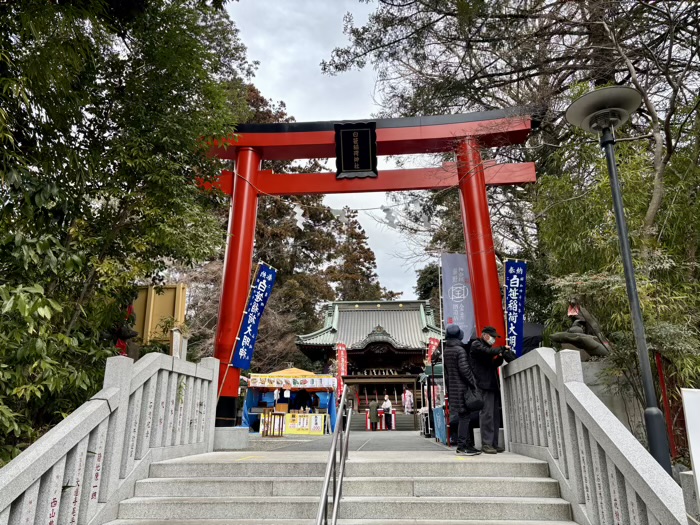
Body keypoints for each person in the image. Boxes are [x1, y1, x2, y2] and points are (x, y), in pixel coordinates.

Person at [469, 326, 512, 454]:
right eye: (492, 336)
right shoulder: (476, 345)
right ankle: (486, 443)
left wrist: (500, 357)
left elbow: (492, 364)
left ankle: (493, 443)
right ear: (484, 335)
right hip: (482, 385)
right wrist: (501, 349)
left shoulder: (487, 349)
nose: (493, 339)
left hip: (492, 383)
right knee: (486, 414)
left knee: (494, 415)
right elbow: (487, 352)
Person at [443, 324, 481, 455]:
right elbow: (465, 370)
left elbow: (448, 372)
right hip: (462, 389)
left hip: (453, 389)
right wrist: (473, 383)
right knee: (465, 417)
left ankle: (468, 444)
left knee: (463, 417)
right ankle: (462, 446)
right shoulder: (459, 350)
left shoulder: (447, 350)